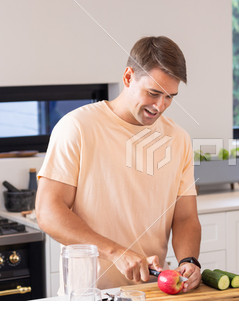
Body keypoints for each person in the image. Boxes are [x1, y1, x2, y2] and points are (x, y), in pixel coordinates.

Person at [36, 36, 202, 292]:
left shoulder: (178, 139)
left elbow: (186, 217)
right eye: (153, 93)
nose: (160, 106)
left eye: (170, 97)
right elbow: (49, 212)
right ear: (128, 78)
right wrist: (116, 252)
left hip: (151, 291)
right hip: (89, 294)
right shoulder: (78, 127)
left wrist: (189, 260)